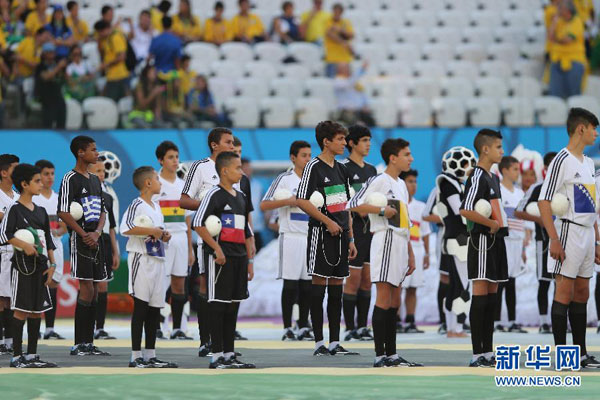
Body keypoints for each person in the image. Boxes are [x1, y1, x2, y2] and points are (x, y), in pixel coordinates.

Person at [348, 138, 423, 368]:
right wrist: (382, 210)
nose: (410, 158)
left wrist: (410, 251)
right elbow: (353, 204)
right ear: (393, 157)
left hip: (400, 240)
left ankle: (392, 354)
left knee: (394, 300)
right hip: (384, 239)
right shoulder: (379, 180)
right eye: (407, 154)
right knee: (383, 296)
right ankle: (380, 355)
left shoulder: (399, 183)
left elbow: (405, 221)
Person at [539, 107, 600, 368]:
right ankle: (564, 356)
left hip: (587, 233)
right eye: (594, 128)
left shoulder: (588, 162)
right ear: (581, 129)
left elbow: (592, 206)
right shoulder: (561, 160)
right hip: (568, 230)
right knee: (564, 292)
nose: (596, 134)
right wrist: (553, 239)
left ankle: (581, 352)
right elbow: (544, 201)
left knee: (583, 293)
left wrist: (596, 240)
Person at [296, 121, 358, 357]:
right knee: (318, 286)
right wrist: (327, 221)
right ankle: (318, 342)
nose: (345, 143)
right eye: (340, 139)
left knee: (336, 289)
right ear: (326, 141)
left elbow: (346, 206)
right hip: (321, 235)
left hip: (342, 237)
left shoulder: (342, 169)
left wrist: (350, 237)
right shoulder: (313, 167)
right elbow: (301, 201)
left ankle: (334, 342)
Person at [193, 151, 255, 369]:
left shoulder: (241, 197)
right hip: (220, 260)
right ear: (225, 170)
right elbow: (198, 224)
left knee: (233, 307)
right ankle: (216, 355)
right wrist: (217, 249)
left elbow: (246, 230)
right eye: (238, 168)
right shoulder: (213, 195)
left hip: (239, 258)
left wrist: (250, 260)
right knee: (218, 306)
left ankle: (229, 354)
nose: (241, 171)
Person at [180, 127, 235, 357]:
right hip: (208, 237)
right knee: (206, 285)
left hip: (233, 237)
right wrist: (210, 205)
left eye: (233, 143)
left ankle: (224, 344)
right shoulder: (200, 167)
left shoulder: (234, 169)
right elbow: (184, 200)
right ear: (214, 145)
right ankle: (206, 341)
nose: (233, 146)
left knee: (229, 289)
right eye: (228, 142)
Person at [0, 163, 58, 368]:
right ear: (24, 184)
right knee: (20, 310)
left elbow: (48, 241)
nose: (41, 184)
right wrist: (24, 245)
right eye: (37, 181)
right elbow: (4, 235)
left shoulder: (41, 211)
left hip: (41, 267)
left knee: (36, 311)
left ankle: (32, 355)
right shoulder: (14, 210)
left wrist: (52, 265)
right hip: (22, 267)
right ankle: (17, 357)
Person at [57, 135, 110, 357]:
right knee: (86, 288)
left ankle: (89, 341)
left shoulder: (95, 180)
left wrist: (97, 233)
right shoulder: (70, 178)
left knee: (96, 288)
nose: (96, 154)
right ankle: (79, 343)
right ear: (80, 153)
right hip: (80, 241)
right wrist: (83, 234)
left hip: (95, 240)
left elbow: (102, 211)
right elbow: (63, 211)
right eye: (93, 150)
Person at [120, 166, 177, 368]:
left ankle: (150, 355)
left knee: (154, 309)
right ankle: (135, 356)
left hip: (157, 259)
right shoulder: (137, 205)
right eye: (157, 179)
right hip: (141, 259)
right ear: (148, 183)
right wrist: (152, 230)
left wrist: (163, 234)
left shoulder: (156, 207)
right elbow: (125, 228)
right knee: (141, 308)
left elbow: (157, 232)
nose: (160, 182)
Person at [460, 129, 507, 368]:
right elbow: (465, 210)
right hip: (481, 242)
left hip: (496, 242)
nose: (502, 151)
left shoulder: (493, 177)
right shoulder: (477, 176)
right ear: (486, 149)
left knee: (491, 298)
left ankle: (488, 351)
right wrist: (490, 223)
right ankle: (477, 353)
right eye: (498, 147)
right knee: (480, 296)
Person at [260, 140, 314, 341]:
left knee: (307, 285)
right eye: (304, 155)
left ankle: (303, 325)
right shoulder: (284, 179)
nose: (308, 159)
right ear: (293, 158)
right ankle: (286, 327)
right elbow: (264, 205)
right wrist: (288, 201)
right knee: (290, 284)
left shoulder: (313, 179)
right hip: (290, 236)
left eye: (309, 155)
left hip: (309, 236)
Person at [153, 141, 194, 340]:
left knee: (180, 284)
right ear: (160, 160)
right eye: (170, 157)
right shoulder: (155, 184)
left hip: (180, 239)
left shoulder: (183, 185)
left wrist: (190, 249)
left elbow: (187, 219)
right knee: (161, 283)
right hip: (163, 238)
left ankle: (178, 328)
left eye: (177, 157)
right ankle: (159, 325)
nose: (175, 161)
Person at [434, 147, 476, 339]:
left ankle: (452, 327)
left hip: (456, 239)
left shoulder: (455, 184)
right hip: (457, 240)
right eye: (467, 164)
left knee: (455, 285)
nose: (469, 168)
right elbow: (459, 211)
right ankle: (456, 327)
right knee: (462, 285)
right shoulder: (447, 182)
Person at [339, 125, 376, 341]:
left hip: (370, 229)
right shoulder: (343, 168)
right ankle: (350, 328)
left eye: (369, 140)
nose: (368, 144)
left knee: (367, 279)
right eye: (363, 140)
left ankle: (363, 327)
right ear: (351, 143)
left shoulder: (371, 170)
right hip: (353, 230)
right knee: (353, 279)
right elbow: (343, 202)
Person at [514, 151, 558, 334]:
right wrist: (539, 220)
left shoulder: (566, 187)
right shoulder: (537, 188)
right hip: (544, 242)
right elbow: (518, 211)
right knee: (545, 281)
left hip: (566, 242)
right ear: (546, 168)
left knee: (561, 282)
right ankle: (543, 322)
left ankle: (558, 320)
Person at [32, 159, 66, 340]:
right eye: (46, 174)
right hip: (37, 249)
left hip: (56, 248)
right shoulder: (33, 199)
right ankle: (34, 327)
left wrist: (56, 231)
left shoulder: (59, 198)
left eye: (52, 173)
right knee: (36, 285)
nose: (50, 177)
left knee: (53, 285)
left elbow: (64, 226)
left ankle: (49, 329)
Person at [495, 156, 527, 333]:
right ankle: (497, 321)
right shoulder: (498, 190)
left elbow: (522, 219)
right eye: (515, 169)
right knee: (501, 282)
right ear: (505, 170)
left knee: (512, 281)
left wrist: (523, 246)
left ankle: (512, 321)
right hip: (504, 242)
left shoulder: (519, 192)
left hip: (516, 242)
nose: (518, 172)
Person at [88, 160, 119, 341]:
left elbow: (112, 227)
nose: (102, 174)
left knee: (103, 284)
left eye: (103, 171)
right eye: (98, 170)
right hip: (89, 240)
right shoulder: (81, 195)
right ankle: (87, 326)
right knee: (88, 285)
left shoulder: (107, 197)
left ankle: (100, 327)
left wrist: (115, 251)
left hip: (105, 241)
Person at [399, 169, 430, 334]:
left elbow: (425, 231)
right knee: (398, 287)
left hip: (417, 251)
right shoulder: (398, 204)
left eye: (415, 182)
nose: (413, 185)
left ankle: (410, 321)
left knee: (413, 288)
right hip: (401, 250)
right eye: (410, 181)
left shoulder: (421, 207)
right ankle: (396, 321)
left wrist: (427, 253)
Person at [0, 153, 19, 355]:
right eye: (15, 168)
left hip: (16, 251)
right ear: (4, 172)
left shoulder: (17, 195)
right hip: (2, 249)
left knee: (12, 297)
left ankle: (9, 339)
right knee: (1, 298)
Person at [548, 0, 586, 99]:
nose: (558, 11)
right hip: (557, 60)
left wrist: (556, 40)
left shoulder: (577, 21)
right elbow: (550, 37)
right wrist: (554, 23)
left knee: (573, 95)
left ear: (567, 10)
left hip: (574, 62)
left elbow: (567, 40)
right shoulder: (559, 21)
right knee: (555, 95)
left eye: (560, 8)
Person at [95, 20, 129, 102]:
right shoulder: (107, 39)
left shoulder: (115, 37)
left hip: (118, 76)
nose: (99, 35)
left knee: (112, 102)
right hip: (111, 76)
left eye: (100, 32)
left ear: (105, 29)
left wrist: (107, 64)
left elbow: (122, 56)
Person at [34, 42, 67, 129]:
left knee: (61, 121)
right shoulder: (40, 66)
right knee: (47, 124)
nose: (51, 54)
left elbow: (64, 79)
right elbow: (46, 77)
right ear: (44, 54)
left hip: (58, 96)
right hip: (46, 97)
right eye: (49, 52)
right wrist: (59, 67)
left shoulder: (57, 65)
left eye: (53, 52)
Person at [333, 63, 374, 127]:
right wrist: (360, 70)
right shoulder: (338, 81)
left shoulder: (354, 82)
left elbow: (361, 94)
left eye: (347, 68)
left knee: (371, 121)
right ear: (339, 70)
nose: (346, 70)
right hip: (345, 112)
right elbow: (349, 84)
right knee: (358, 126)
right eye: (343, 68)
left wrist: (365, 105)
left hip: (359, 111)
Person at [129, 64, 164, 129]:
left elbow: (157, 108)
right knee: (146, 127)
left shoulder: (155, 86)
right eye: (152, 72)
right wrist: (153, 93)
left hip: (149, 117)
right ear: (146, 74)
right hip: (137, 116)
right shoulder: (139, 86)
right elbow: (142, 105)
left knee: (162, 126)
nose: (155, 74)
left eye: (155, 72)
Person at [324, 3, 353, 78]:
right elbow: (329, 34)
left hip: (345, 59)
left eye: (338, 12)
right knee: (331, 85)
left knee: (347, 84)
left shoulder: (346, 22)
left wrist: (340, 30)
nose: (336, 14)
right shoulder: (328, 21)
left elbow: (351, 35)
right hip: (332, 59)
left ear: (341, 12)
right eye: (335, 11)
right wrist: (343, 41)